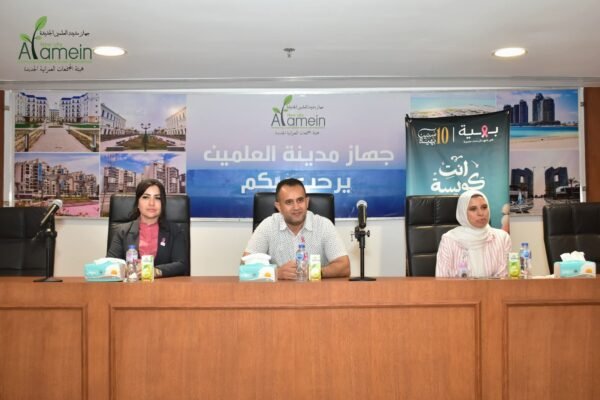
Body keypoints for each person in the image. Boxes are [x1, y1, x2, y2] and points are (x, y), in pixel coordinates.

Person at [244, 178, 350, 280]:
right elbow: (245, 268)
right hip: (279, 290)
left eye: (300, 200)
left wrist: (314, 272)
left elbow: (344, 266)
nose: (296, 207)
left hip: (316, 290)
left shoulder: (324, 225)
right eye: (289, 202)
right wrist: (276, 273)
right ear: (278, 207)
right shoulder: (268, 226)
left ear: (307, 202)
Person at [107, 179, 187, 278]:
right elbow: (110, 263)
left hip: (163, 286)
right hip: (131, 285)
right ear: (137, 203)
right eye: (145, 197)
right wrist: (127, 269)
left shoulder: (175, 231)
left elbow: (181, 264)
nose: (151, 203)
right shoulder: (123, 231)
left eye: (157, 198)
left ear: (162, 204)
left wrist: (155, 271)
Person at [436, 189, 511, 278]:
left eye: (484, 207)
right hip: (457, 288)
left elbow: (505, 278)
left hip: (494, 287)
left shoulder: (502, 238)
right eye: (473, 209)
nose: (481, 213)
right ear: (463, 213)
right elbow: (441, 279)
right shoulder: (449, 240)